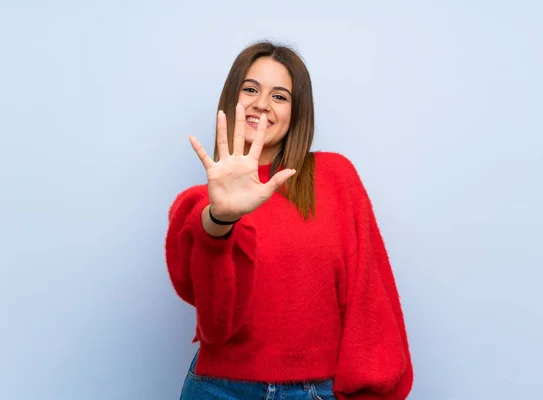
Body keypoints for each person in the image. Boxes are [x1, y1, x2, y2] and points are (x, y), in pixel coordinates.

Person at [165, 40, 413, 400]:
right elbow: (217, 327)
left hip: (318, 391)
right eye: (250, 89)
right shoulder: (199, 205)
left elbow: (369, 296)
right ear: (232, 99)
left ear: (297, 113)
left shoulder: (334, 177)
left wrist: (372, 391)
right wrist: (219, 220)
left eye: (279, 96)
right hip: (219, 390)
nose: (262, 103)